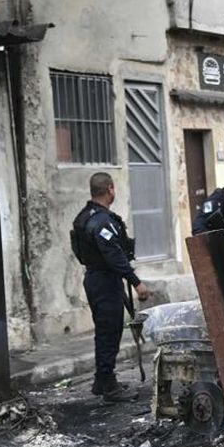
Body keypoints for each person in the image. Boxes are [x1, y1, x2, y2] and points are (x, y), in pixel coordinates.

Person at [71, 172, 151, 402]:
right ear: (110, 189)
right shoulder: (101, 221)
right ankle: (108, 385)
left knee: (106, 330)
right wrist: (136, 282)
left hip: (97, 277)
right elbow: (113, 254)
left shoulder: (84, 217)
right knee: (109, 331)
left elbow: (79, 250)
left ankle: (102, 380)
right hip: (105, 280)